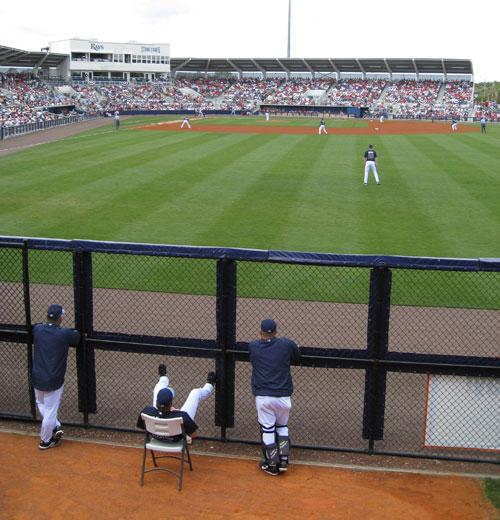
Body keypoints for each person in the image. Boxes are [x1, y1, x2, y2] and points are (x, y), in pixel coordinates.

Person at [248, 319, 301, 476]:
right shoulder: (286, 344)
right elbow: (297, 356)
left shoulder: (254, 346)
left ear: (260, 332)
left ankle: (272, 464)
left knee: (268, 429)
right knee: (282, 426)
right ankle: (283, 460)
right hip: (283, 397)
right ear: (276, 331)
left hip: (264, 398)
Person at [32, 305, 80, 450]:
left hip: (38, 377)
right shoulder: (64, 334)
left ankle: (55, 426)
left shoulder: (38, 330)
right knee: (51, 411)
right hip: (53, 380)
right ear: (60, 318)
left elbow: (37, 326)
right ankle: (45, 440)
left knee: (40, 402)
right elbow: (76, 338)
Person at [137, 364, 216, 442]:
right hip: (177, 440)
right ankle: (209, 384)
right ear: (171, 404)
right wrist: (174, 413)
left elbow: (143, 428)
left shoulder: (147, 411)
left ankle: (163, 377)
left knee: (158, 388)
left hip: (156, 437)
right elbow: (193, 434)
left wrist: (159, 432)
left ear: (156, 403)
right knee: (195, 393)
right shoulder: (181, 416)